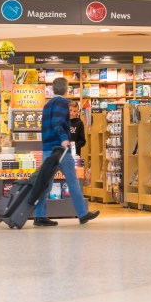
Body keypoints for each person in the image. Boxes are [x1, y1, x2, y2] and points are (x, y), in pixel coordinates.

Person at [34, 77, 100, 226]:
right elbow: (57, 123)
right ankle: (83, 214)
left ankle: (39, 216)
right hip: (61, 150)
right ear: (66, 89)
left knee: (45, 183)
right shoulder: (63, 103)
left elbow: (45, 126)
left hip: (47, 149)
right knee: (73, 181)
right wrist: (64, 139)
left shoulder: (47, 104)